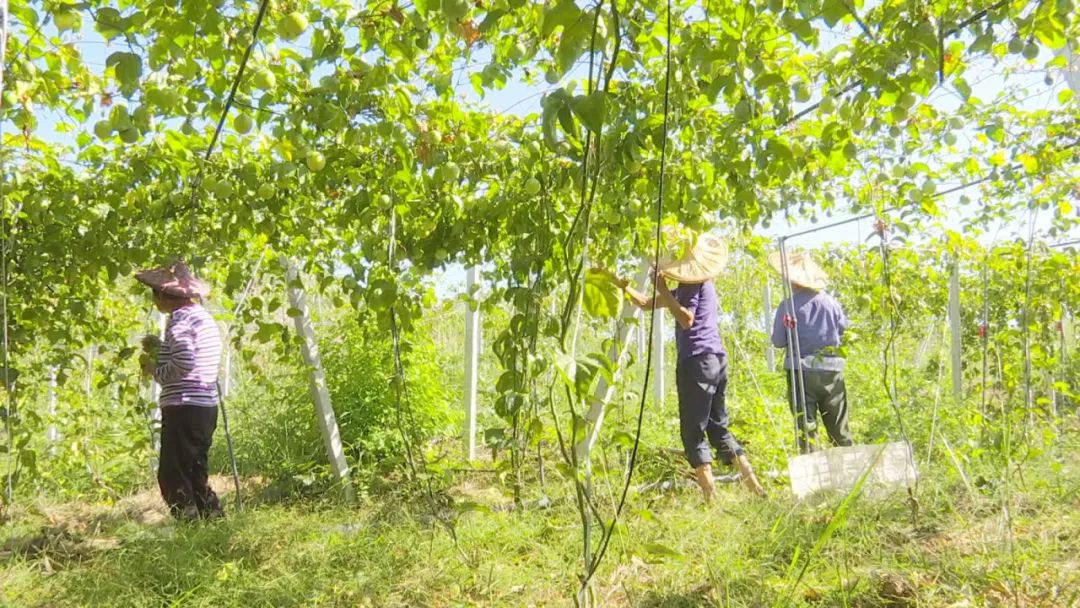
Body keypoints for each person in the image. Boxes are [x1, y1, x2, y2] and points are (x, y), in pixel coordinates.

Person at [614, 230, 765, 500]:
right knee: (718, 427)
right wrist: (621, 284)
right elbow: (646, 303)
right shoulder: (693, 286)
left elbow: (686, 319)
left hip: (697, 360)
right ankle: (754, 487)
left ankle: (711, 497)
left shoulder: (693, 286)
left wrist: (662, 289)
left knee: (693, 430)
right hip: (716, 358)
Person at [136, 262, 224, 520]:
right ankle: (213, 522)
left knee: (172, 474)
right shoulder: (201, 318)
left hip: (183, 406)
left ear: (163, 296)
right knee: (195, 470)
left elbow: (185, 361)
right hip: (204, 406)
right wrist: (161, 347)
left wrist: (154, 369)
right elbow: (190, 355)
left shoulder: (179, 321)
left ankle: (189, 525)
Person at [769, 251, 853, 454]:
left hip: (801, 371)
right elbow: (844, 332)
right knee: (838, 426)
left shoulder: (787, 305)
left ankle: (812, 477)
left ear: (794, 281)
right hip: (832, 371)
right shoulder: (831, 303)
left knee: (806, 428)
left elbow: (779, 342)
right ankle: (848, 470)